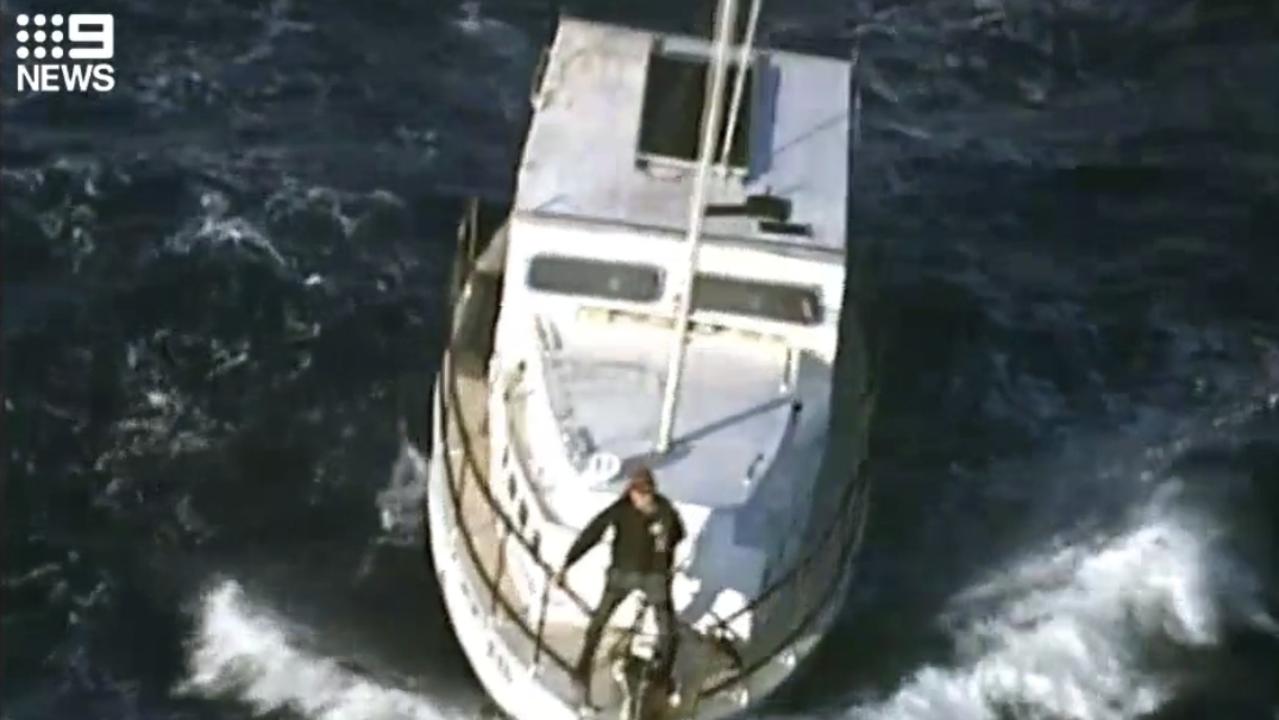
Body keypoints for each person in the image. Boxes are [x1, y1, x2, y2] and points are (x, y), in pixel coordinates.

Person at [554, 466, 685, 704]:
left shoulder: (665, 510)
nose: (644, 497)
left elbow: (679, 533)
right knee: (598, 622)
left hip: (654, 577)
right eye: (639, 492)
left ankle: (661, 680)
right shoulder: (621, 509)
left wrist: (666, 541)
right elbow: (592, 534)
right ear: (632, 492)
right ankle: (582, 671)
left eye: (647, 492)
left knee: (669, 633)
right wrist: (567, 564)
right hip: (622, 574)